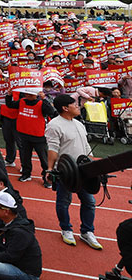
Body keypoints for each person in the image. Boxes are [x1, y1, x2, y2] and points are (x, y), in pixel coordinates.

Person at [46, 93, 101, 250]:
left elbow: (86, 147)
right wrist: (50, 169)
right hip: (66, 172)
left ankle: (87, 232)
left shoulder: (79, 124)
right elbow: (53, 148)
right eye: (75, 104)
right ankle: (66, 229)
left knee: (89, 202)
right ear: (65, 108)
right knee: (64, 201)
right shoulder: (54, 125)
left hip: (84, 170)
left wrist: (94, 165)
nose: (78, 106)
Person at [6, 91, 55, 184]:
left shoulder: (41, 103)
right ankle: (26, 174)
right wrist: (9, 95)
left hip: (38, 136)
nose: (28, 95)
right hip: (24, 134)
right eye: (26, 93)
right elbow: (10, 105)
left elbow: (51, 111)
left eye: (31, 94)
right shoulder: (22, 101)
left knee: (44, 159)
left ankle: (47, 178)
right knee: (25, 157)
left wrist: (44, 99)